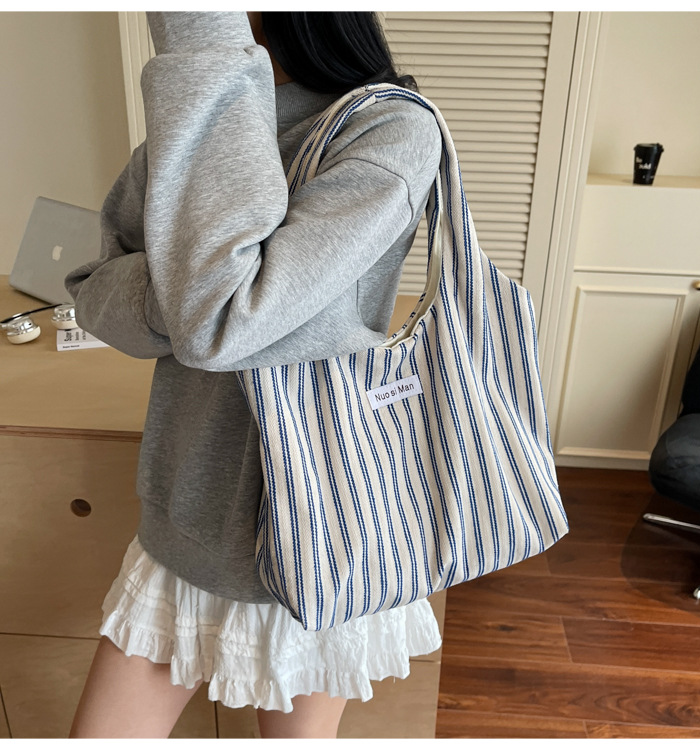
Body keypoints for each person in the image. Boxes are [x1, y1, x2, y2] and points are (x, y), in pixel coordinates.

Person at [65, 11, 443, 739]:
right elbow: (94, 289)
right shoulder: (193, 123)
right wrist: (196, 300)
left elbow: (222, 320)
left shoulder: (387, 128)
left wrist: (195, 298)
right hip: (182, 528)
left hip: (322, 526)